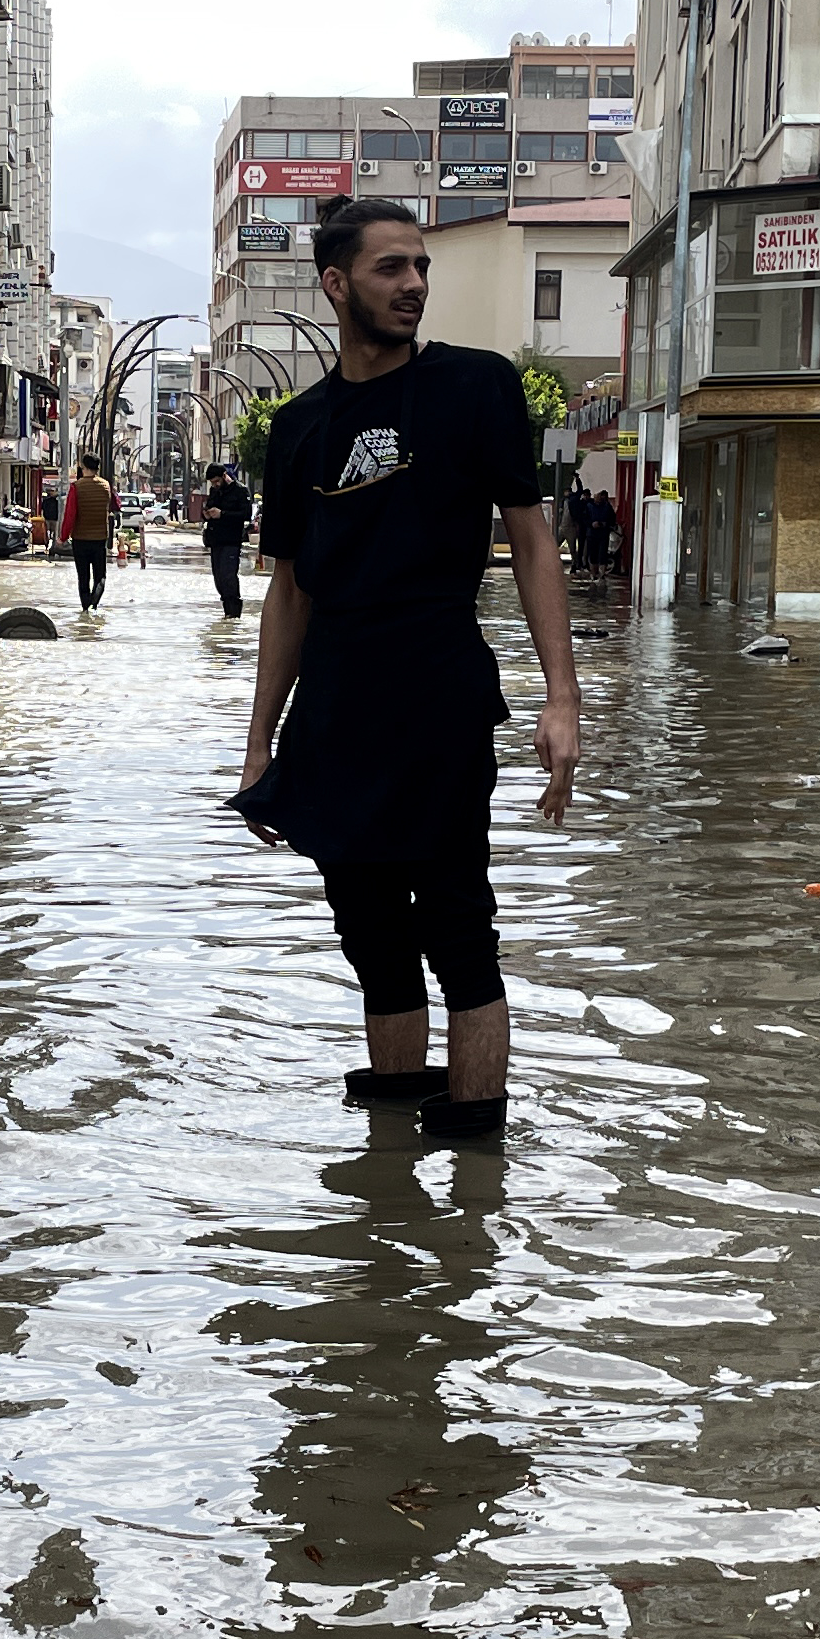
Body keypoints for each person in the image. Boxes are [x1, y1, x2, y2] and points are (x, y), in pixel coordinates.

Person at [233, 197, 582, 1141]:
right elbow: (289, 592)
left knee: (458, 925)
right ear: (336, 282)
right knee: (370, 935)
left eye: (421, 266)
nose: (415, 284)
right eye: (391, 267)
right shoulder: (299, 427)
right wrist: (260, 744)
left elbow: (532, 539)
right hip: (335, 706)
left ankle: (476, 1163)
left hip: (439, 688)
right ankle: (390, 1170)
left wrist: (561, 697)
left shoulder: (475, 386)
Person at [59, 456, 117, 610]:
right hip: (100, 539)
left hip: (80, 539)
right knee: (100, 577)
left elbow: (70, 515)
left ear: (83, 467)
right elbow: (114, 505)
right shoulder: (105, 486)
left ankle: (85, 609)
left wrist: (63, 537)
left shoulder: (76, 487)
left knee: (83, 577)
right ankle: (94, 604)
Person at [200, 457, 254, 615]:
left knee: (228, 576)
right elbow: (209, 507)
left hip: (231, 541)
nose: (215, 485)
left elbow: (245, 515)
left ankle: (234, 613)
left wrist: (222, 514)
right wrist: (207, 514)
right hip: (216, 540)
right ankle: (227, 614)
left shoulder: (240, 491)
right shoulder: (215, 491)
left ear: (225, 475)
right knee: (219, 579)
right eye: (212, 483)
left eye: (217, 481)